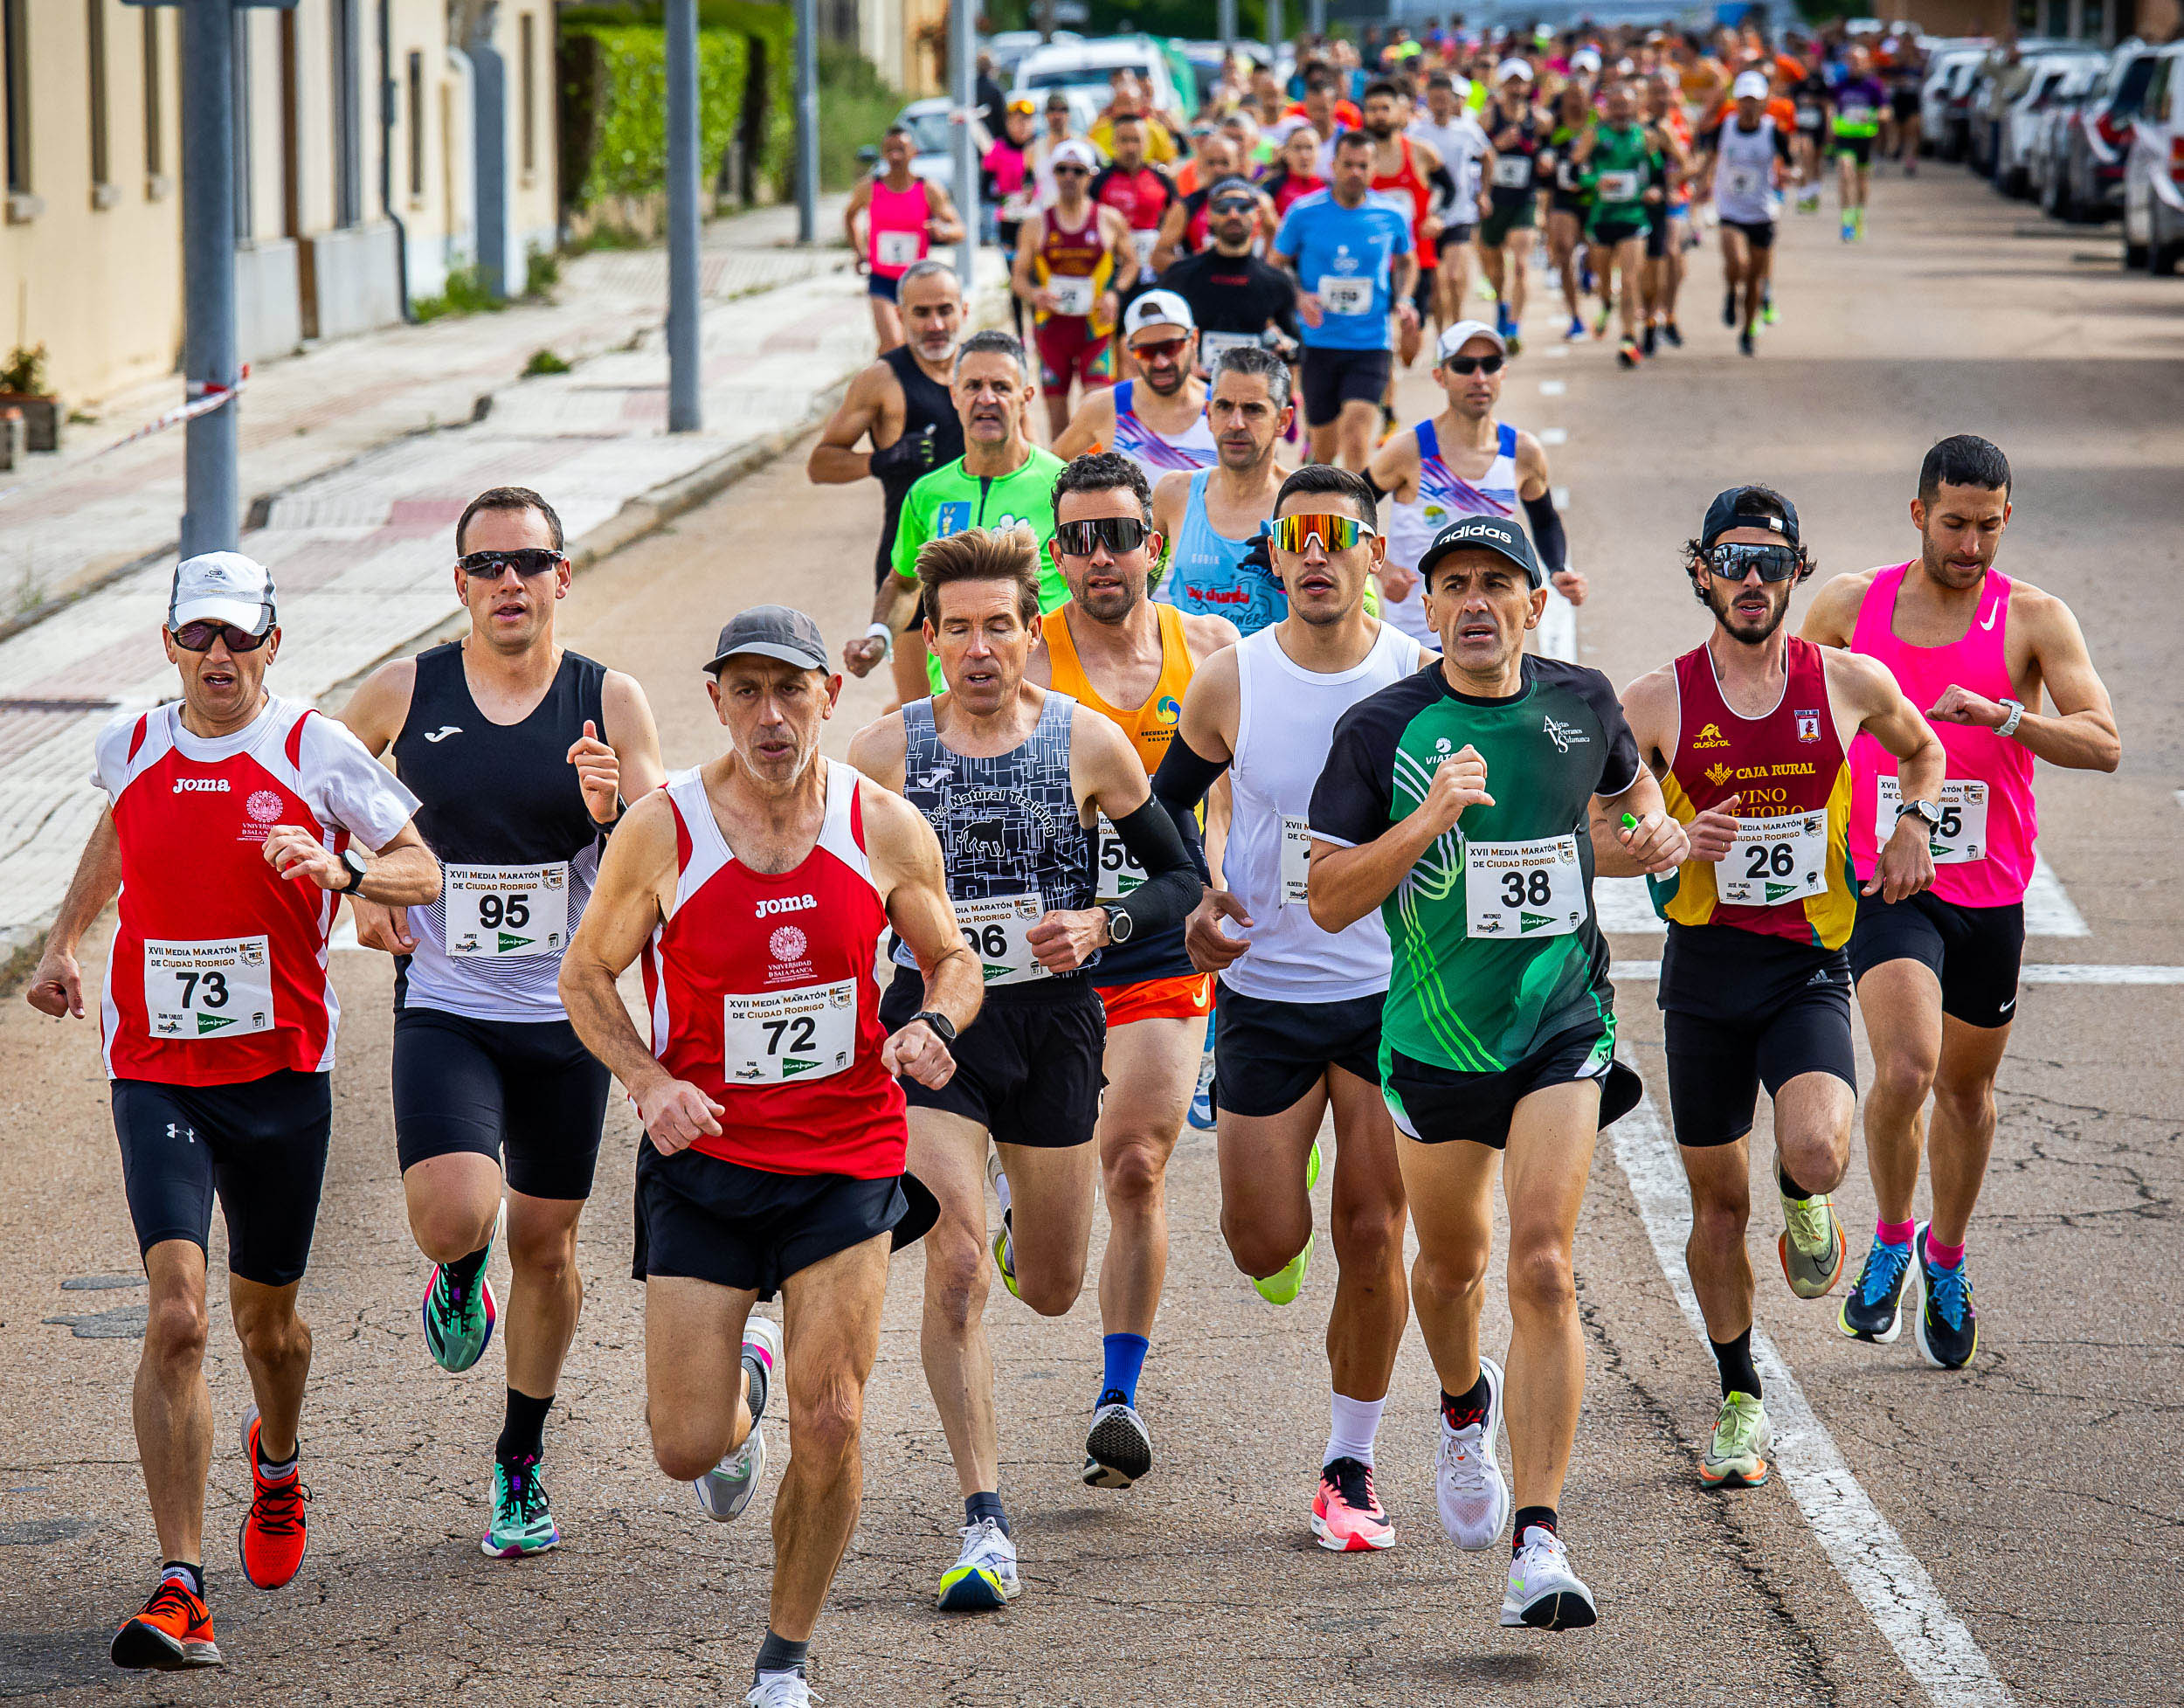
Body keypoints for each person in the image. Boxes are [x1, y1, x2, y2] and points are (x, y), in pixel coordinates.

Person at [28, 551, 439, 1673]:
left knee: (269, 1327)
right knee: (179, 1316)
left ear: (271, 641)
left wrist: (341, 873)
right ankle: (179, 1582)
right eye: (197, 635)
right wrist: (66, 940)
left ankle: (279, 1452)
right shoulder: (135, 740)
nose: (218, 655)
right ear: (168, 643)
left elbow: (425, 869)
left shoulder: (313, 750)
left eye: (238, 635)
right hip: (155, 1069)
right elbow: (118, 830)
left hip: (280, 1079)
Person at [559, 605, 978, 1708]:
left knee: (832, 1414)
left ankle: (783, 1657)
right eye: (745, 690)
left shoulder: (881, 823)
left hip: (847, 1156)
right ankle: (739, 1379)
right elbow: (584, 977)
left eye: (790, 689)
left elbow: (952, 956)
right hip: (707, 1161)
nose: (770, 713)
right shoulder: (664, 830)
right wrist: (650, 1084)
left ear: (826, 699)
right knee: (684, 1446)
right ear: (716, 702)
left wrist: (933, 1022)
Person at [1306, 514, 1688, 1633]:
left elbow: (1619, 813)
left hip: (1561, 1026)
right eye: (1454, 584)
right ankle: (1463, 1405)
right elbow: (1326, 897)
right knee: (1450, 1266)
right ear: (1425, 606)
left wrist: (1655, 834)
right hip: (1431, 1045)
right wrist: (1428, 816)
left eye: (1498, 583)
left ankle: (1539, 1536)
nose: (1477, 602)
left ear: (1532, 603)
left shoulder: (1583, 701)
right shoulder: (1380, 728)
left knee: (1543, 1262)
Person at [849, 524, 1201, 1602]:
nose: (979, 648)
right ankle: (984, 1516)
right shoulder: (883, 752)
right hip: (935, 1033)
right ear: (936, 639)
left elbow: (1182, 878)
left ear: (1027, 630)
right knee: (952, 1268)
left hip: (1054, 1027)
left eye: (998, 625)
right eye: (956, 629)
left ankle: (1008, 1211)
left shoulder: (1089, 743)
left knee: (1047, 1285)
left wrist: (1104, 920)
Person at [332, 487, 667, 1556]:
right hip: (447, 1003)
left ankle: (519, 1459)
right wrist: (361, 886)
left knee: (547, 1239)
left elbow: (660, 859)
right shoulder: (407, 686)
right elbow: (312, 783)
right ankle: (456, 1264)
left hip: (567, 1010)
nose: (508, 582)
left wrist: (613, 812)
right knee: (453, 1215)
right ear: (461, 583)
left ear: (563, 575)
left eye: (529, 562)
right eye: (487, 566)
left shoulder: (608, 698)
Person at [1618, 486, 1943, 1487]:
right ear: (1702, 571)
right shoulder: (1654, 701)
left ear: (1797, 570)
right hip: (1703, 974)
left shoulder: (1844, 680)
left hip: (1806, 962)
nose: (1751, 579)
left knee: (1818, 1146)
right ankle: (1739, 1393)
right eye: (1732, 560)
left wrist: (1910, 824)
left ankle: (1807, 1199)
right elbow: (1595, 834)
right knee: (1715, 1204)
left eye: (1770, 560)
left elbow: (1923, 749)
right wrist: (1661, 840)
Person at [1801, 435, 2119, 1371]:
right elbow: (1790, 704)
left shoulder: (2033, 619)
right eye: (1953, 523)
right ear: (1917, 514)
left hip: (1989, 888)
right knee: (1904, 1067)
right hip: (1885, 876)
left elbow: (2102, 742)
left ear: (2005, 518)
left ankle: (1945, 1253)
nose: (1970, 544)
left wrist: (2007, 718)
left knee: (1966, 1089)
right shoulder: (1852, 605)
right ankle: (1893, 1236)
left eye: (1987, 525)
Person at [1151, 466, 1423, 1550]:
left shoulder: (1416, 673)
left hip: (1387, 994)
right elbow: (1163, 806)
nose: (1316, 553)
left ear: (1371, 553)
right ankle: (1286, 1188)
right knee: (1264, 1243)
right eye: (1296, 535)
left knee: (1377, 1230)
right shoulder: (1235, 680)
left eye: (1337, 535)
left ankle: (1348, 1465)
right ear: (1274, 552)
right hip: (1263, 989)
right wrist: (1197, 903)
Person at [1027, 454, 1241, 1488]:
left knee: (1136, 1161)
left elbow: (1233, 785)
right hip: (1048, 948)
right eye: (1078, 538)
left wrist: (1216, 891)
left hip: (1160, 940)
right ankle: (1031, 1194)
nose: (1100, 556)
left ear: (1153, 541)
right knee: (1061, 1186)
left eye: (1118, 533)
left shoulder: (1207, 648)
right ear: (1056, 551)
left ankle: (1118, 1393)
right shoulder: (1024, 656)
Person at [848, 330, 1068, 694]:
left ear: (1026, 397)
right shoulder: (927, 493)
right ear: (955, 395)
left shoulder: (1062, 486)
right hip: (955, 698)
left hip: (1044, 700)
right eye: (972, 386)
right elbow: (905, 584)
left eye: (1001, 386)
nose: (986, 398)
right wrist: (879, 636)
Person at [808, 259, 968, 712]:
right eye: (921, 313)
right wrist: (884, 459)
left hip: (982, 553)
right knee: (922, 713)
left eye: (945, 310)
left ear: (964, 310)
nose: (935, 325)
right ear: (900, 316)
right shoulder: (882, 380)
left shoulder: (982, 374)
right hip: (911, 560)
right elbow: (820, 464)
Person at [1370, 321, 1580, 649]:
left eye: (1490, 365)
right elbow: (1348, 510)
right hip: (1416, 640)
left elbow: (1545, 520)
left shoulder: (1523, 453)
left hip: (1490, 638)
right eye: (1465, 366)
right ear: (1440, 376)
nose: (1479, 378)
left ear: (1503, 373)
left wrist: (1557, 569)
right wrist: (1381, 570)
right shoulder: (1408, 451)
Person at [1270, 130, 1418, 471]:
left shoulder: (1391, 214)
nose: (1355, 172)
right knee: (1325, 450)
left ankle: (1359, 518)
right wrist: (1299, 296)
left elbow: (1408, 260)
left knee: (1356, 432)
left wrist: (1405, 298)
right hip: (1319, 342)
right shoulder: (1304, 212)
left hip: (1370, 342)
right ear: (1333, 165)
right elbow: (1275, 266)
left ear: (1374, 169)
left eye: (1363, 165)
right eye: (1348, 165)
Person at [1149, 346, 1295, 633]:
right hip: (1192, 674)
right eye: (1224, 407)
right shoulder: (1174, 493)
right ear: (1209, 415)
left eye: (1253, 409)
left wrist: (1293, 579)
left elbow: (1364, 609)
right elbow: (1137, 587)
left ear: (1283, 421)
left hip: (1271, 675)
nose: (1236, 423)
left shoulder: (1307, 503)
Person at [1011, 142, 1138, 439]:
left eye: (1078, 171)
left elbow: (1131, 263)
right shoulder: (1035, 224)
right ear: (1053, 174)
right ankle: (1063, 484)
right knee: (1058, 423)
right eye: (1062, 170)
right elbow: (1017, 279)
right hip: (1052, 331)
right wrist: (1035, 294)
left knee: (1097, 412)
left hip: (1095, 330)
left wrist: (1114, 294)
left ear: (1091, 175)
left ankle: (1096, 481)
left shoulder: (1108, 219)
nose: (1070, 177)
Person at [1054, 291, 1216, 482]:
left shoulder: (1222, 407)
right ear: (1129, 348)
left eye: (1171, 347)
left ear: (1194, 339)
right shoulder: (1105, 407)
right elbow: (1050, 468)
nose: (1161, 362)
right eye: (1146, 351)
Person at [1156, 180, 1303, 378]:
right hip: (1194, 390)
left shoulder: (1276, 282)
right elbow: (1155, 336)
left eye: (1243, 207)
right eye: (1223, 208)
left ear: (1256, 213)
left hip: (1252, 392)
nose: (1233, 214)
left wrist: (1282, 347)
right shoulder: (1180, 275)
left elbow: (1297, 350)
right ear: (1209, 216)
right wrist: (1181, 359)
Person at [1571, 81, 1670, 368]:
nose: (1620, 112)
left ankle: (1628, 338)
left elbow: (1658, 175)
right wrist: (1596, 182)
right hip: (1602, 219)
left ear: (1635, 107)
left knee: (1629, 280)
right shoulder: (1595, 135)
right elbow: (1576, 173)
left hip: (1633, 217)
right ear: (1606, 108)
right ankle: (1604, 304)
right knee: (1604, 283)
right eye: (1615, 106)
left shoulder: (1645, 137)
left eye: (1625, 106)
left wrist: (1655, 191)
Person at [844, 126, 966, 352]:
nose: (895, 156)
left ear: (914, 152)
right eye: (889, 150)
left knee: (913, 348)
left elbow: (959, 229)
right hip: (881, 279)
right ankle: (883, 381)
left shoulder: (928, 189)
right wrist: (859, 251)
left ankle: (894, 380)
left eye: (900, 149)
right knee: (892, 342)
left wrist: (943, 232)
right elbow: (850, 215)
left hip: (915, 282)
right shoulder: (871, 188)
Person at [1699, 73, 1791, 357]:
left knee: (1754, 278)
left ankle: (1748, 330)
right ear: (1736, 102)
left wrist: (1790, 175)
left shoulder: (1772, 131)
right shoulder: (1724, 128)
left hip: (1761, 211)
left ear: (1764, 102)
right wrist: (1699, 183)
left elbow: (1789, 163)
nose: (1748, 106)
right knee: (1737, 262)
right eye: (1743, 100)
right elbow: (1708, 160)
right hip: (1729, 209)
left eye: (1754, 100)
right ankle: (1730, 292)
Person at [1402, 74, 1494, 337]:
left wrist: (1483, 193)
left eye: (1444, 99)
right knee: (1439, 283)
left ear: (1454, 101)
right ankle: (1444, 336)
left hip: (1461, 212)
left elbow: (1488, 157)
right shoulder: (1417, 132)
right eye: (1434, 100)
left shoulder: (1467, 130)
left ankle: (1458, 326)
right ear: (1427, 101)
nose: (1440, 105)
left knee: (1454, 277)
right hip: (1429, 217)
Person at [1479, 61, 1547, 349]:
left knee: (1520, 266)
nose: (1517, 88)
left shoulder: (1540, 120)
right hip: (1494, 201)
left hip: (1524, 200)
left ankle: (1513, 328)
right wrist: (1498, 146)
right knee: (1494, 268)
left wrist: (1547, 160)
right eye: (1512, 82)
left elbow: (1549, 151)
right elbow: (1476, 157)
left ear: (1529, 86)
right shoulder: (1487, 118)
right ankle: (1502, 306)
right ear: (1503, 85)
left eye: (1521, 83)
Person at [1637, 75, 1694, 356]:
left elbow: (1688, 164)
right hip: (1639, 205)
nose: (1661, 99)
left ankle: (1664, 316)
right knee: (1649, 266)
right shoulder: (1634, 126)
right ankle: (1653, 316)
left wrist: (1668, 186)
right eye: (1655, 92)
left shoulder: (1673, 125)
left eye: (1665, 93)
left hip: (1672, 202)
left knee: (1671, 257)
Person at [1089, 115, 1181, 287]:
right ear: (1114, 143)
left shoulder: (1161, 179)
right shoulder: (1099, 181)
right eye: (1124, 140)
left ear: (1146, 143)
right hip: (1114, 271)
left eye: (1136, 140)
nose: (1130, 148)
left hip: (1153, 269)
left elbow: (1177, 218)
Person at [1542, 84, 1596, 343]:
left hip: (1596, 198)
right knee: (1563, 250)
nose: (1575, 102)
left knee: (1597, 252)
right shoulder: (1552, 128)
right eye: (1570, 97)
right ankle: (1575, 316)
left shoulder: (1599, 125)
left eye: (1580, 96)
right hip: (1563, 198)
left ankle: (1589, 266)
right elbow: (1539, 156)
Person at [985, 100, 1040, 307]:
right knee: (1015, 278)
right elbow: (985, 187)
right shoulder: (999, 148)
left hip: (1034, 223)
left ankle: (1036, 330)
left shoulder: (1039, 146)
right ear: (1008, 122)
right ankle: (1019, 335)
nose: (1022, 126)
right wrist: (1003, 197)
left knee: (1035, 279)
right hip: (1009, 222)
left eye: (1026, 120)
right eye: (1017, 121)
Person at [1828, 47, 1888, 241]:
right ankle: (1847, 221)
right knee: (1846, 173)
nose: (1854, 65)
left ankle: (1859, 216)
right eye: (1850, 60)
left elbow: (1885, 111)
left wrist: (1872, 116)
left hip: (1865, 139)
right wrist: (1830, 124)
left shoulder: (1873, 86)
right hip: (1845, 138)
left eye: (1858, 61)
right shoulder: (1840, 85)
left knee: (1862, 181)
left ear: (1866, 63)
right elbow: (1831, 107)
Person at [1261, 124, 1330, 217]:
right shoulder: (1271, 188)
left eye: (1309, 148)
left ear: (1319, 152)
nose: (1304, 155)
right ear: (1286, 153)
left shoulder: (1330, 189)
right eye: (1297, 148)